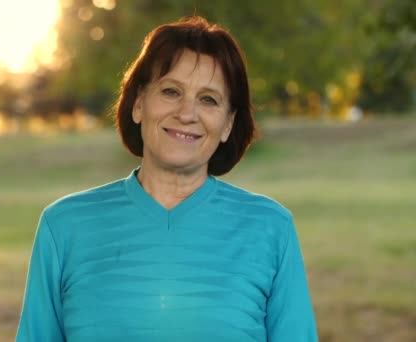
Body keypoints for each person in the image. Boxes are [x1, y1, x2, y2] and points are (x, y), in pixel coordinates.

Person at [16, 16, 318, 341]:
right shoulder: (63, 226)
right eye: (171, 91)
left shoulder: (271, 228)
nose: (187, 113)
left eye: (208, 99)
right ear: (138, 104)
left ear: (228, 124)